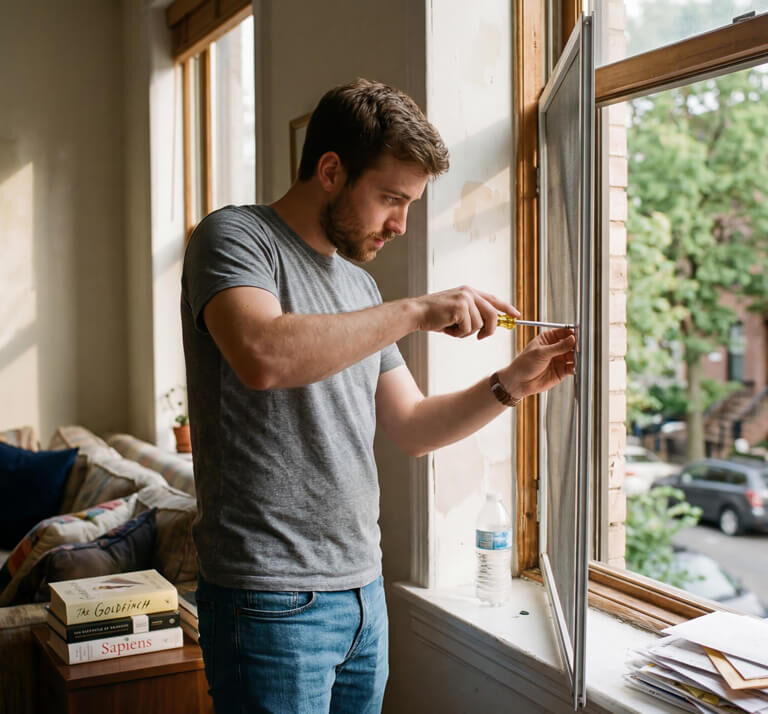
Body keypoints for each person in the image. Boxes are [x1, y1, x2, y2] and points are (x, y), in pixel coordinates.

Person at [180, 78, 575, 714]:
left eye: (411, 203)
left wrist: (510, 384)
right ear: (331, 170)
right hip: (269, 599)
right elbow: (263, 354)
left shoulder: (361, 292)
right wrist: (418, 309)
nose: (399, 223)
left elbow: (413, 427)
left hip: (363, 592)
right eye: (391, 198)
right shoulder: (235, 239)